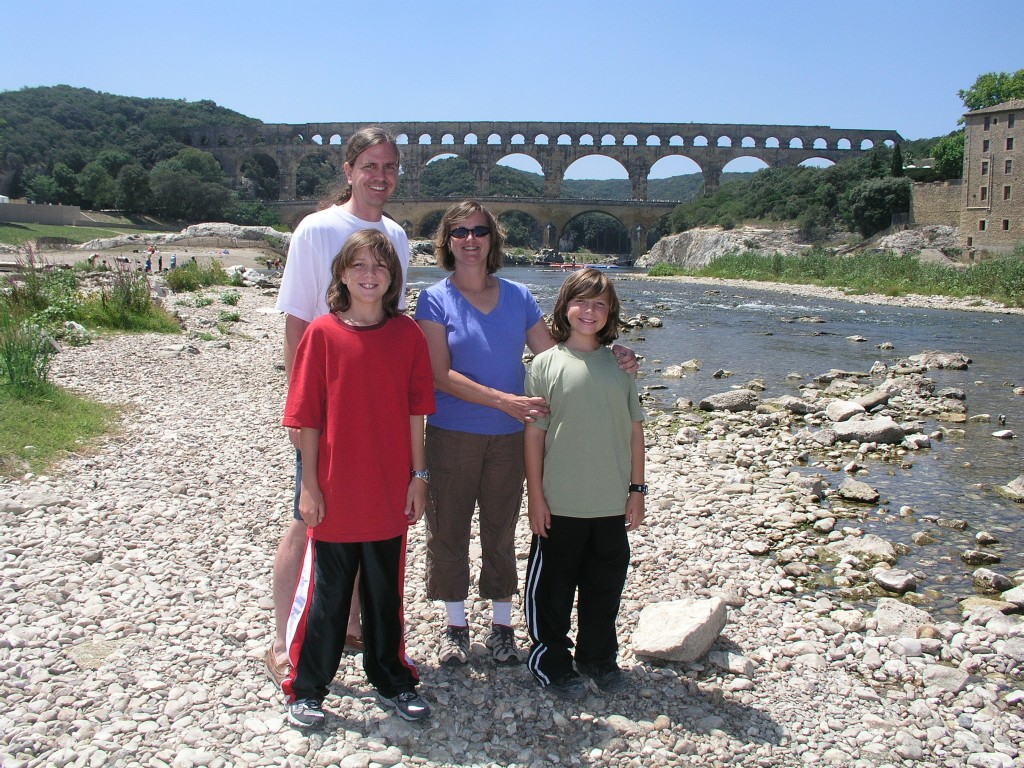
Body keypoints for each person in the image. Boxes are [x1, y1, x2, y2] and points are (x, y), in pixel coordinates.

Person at [414, 201, 638, 668]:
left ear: (493, 238)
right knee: (448, 530)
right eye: (460, 232)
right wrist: (505, 400)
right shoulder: (434, 299)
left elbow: (556, 356)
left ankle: (501, 625)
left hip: (510, 438)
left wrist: (610, 355)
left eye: (480, 231)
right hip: (453, 433)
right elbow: (438, 374)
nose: (470, 240)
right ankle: (455, 625)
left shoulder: (517, 295)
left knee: (501, 530)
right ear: (447, 241)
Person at [268, 127, 409, 687]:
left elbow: (388, 322)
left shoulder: (396, 235)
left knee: (366, 514)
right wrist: (302, 409)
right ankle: (281, 639)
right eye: (370, 166)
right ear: (348, 170)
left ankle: (351, 623)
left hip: (375, 408)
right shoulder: (316, 229)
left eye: (391, 167)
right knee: (310, 516)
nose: (381, 177)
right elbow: (299, 323)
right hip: (326, 407)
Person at [281, 229, 434, 728]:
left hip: (390, 488)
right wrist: (309, 487)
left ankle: (392, 678)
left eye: (380, 267)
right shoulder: (322, 335)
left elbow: (417, 413)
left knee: (384, 595)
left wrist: (419, 476)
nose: (370, 276)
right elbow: (306, 415)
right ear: (342, 274)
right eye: (359, 266)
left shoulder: (407, 335)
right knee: (328, 595)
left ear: (393, 279)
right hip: (336, 489)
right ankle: (307, 688)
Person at [522, 268, 646, 700]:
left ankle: (597, 657)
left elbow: (635, 430)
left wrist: (637, 490)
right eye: (581, 301)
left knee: (604, 587)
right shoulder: (545, 364)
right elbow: (534, 434)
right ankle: (551, 660)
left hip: (611, 504)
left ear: (610, 312)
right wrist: (535, 497)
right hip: (560, 504)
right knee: (553, 590)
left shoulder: (620, 365)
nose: (589, 311)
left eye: (599, 303)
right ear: (564, 307)